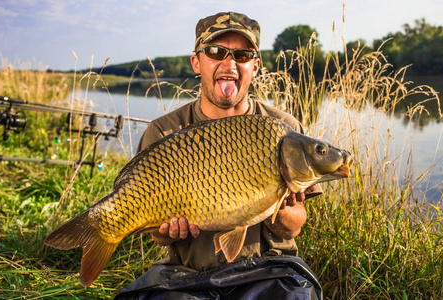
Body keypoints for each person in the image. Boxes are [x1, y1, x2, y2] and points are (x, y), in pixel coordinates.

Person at [115, 12, 323, 300]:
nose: (229, 64)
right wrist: (167, 230)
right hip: (186, 274)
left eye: (242, 55)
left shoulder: (286, 131)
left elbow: (293, 227)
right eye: (215, 52)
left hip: (271, 269)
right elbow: (158, 236)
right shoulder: (164, 131)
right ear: (197, 62)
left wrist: (279, 209)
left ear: (255, 65)